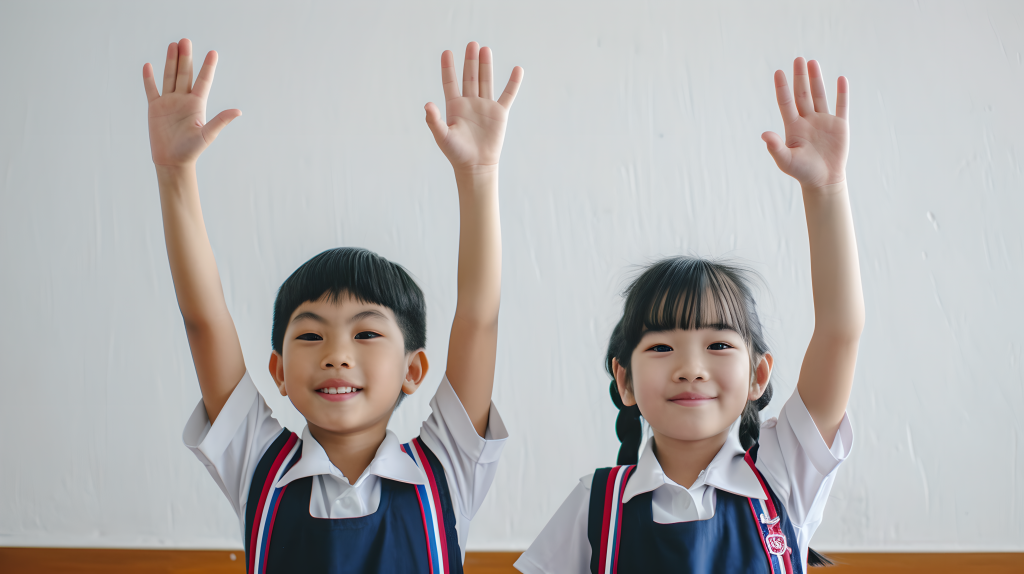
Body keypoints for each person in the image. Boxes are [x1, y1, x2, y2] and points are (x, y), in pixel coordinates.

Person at [142, 38, 523, 573]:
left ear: (414, 369)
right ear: (276, 370)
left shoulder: (448, 466)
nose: (337, 354)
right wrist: (174, 174)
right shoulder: (256, 460)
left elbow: (479, 319)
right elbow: (204, 321)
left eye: (366, 334)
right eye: (310, 334)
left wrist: (480, 176)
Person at [515, 57, 862, 574]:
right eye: (661, 346)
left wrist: (826, 190)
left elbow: (839, 331)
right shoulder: (596, 505)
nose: (691, 367)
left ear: (758, 375)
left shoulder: (784, 472)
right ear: (625, 380)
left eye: (719, 344)